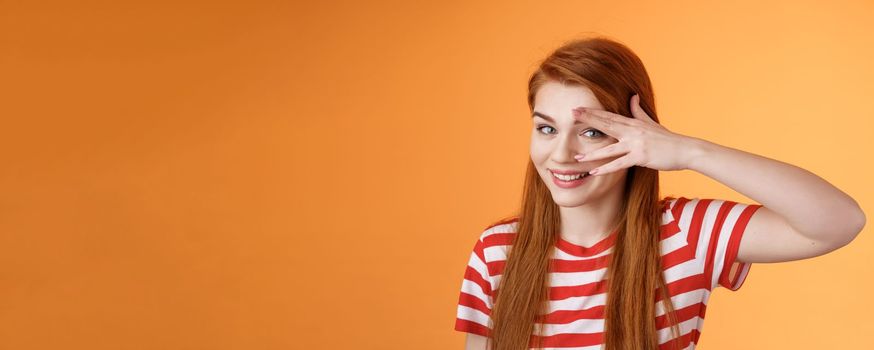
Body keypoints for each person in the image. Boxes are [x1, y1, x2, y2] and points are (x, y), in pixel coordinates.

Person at [453, 35, 866, 350]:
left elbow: (838, 221)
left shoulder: (684, 234)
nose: (562, 154)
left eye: (592, 132)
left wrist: (689, 151)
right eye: (547, 128)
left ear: (639, 136)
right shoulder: (497, 251)